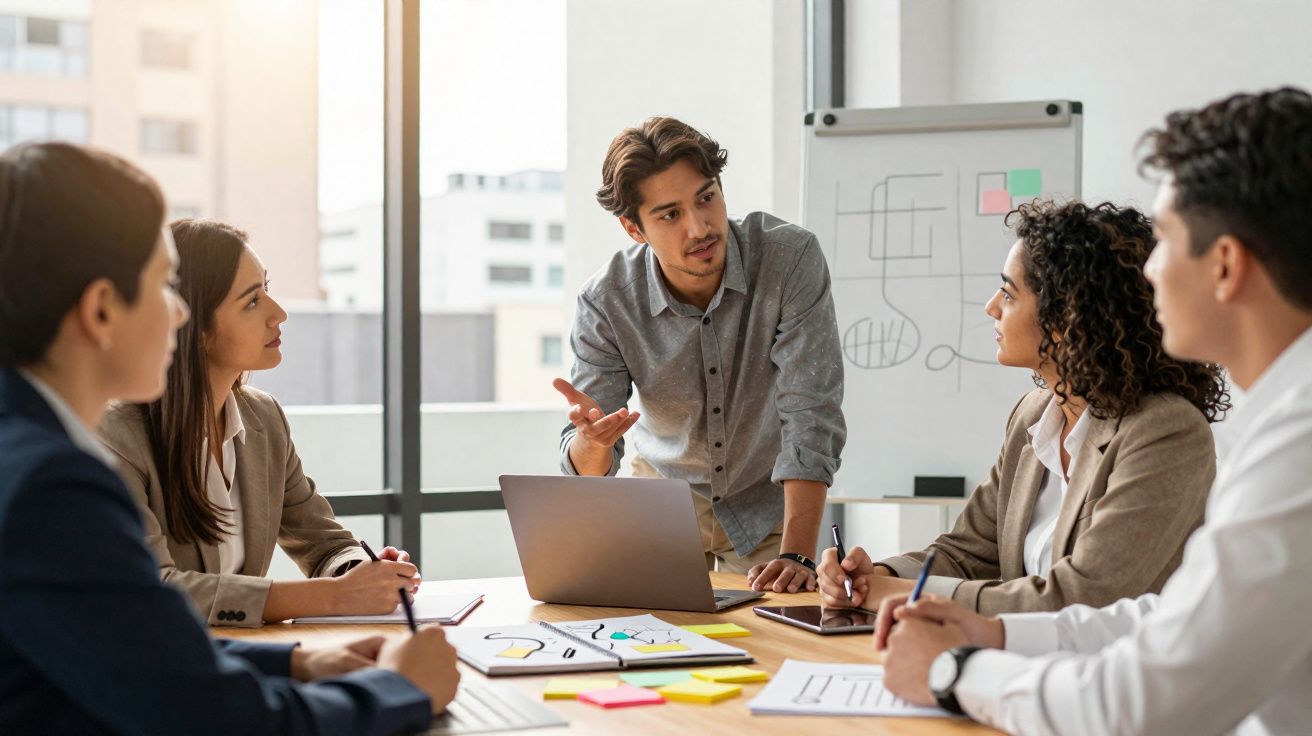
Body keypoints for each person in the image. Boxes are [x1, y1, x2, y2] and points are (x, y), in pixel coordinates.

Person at [877, 87, 1312, 735]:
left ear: (1224, 265)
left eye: (1164, 242)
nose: (1150, 272)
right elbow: (1172, 620)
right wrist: (992, 632)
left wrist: (956, 671)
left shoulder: (1294, 447)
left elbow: (1145, 702)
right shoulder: (1279, 421)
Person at [0, 141, 458, 734]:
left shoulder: (28, 451)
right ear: (102, 309)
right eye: (167, 288)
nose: (179, 314)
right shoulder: (52, 485)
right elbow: (217, 720)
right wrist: (399, 690)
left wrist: (298, 659)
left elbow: (141, 645)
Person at [816, 200, 1227, 615]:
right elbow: (968, 551)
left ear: (1068, 318)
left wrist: (907, 596)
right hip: (1021, 665)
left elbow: (1082, 598)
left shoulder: (1166, 431)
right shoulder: (1033, 416)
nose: (991, 307)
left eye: (1009, 293)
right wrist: (880, 576)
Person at [553, 116, 846, 593]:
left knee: (774, 638)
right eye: (669, 215)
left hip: (768, 501)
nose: (700, 227)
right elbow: (589, 465)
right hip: (661, 505)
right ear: (634, 228)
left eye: (706, 197)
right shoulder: (606, 301)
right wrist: (594, 442)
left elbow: (810, 412)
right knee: (656, 650)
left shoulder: (789, 259)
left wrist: (797, 554)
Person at [99, 218, 416, 627]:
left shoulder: (263, 417)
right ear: (193, 327)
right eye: (252, 301)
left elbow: (322, 542)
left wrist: (359, 572)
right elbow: (154, 587)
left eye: (266, 289)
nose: (278, 313)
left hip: (248, 657)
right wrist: (332, 597)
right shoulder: (117, 436)